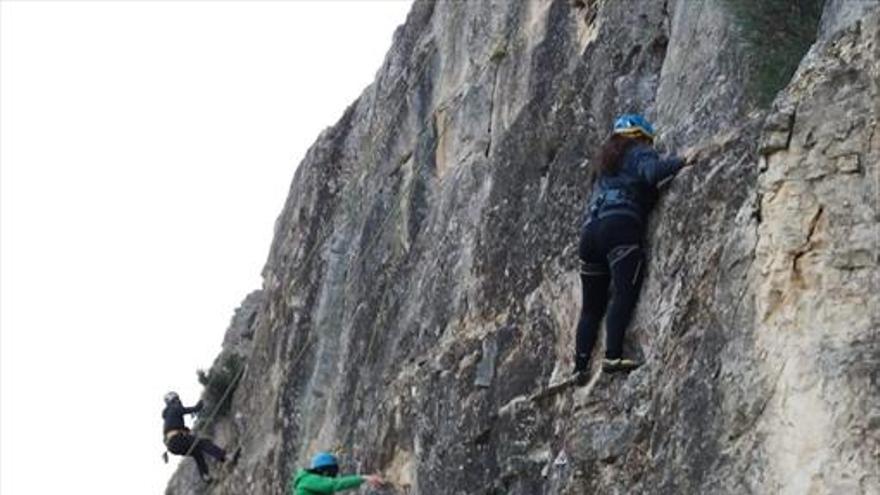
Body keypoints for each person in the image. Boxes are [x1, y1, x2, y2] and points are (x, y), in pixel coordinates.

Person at [573, 114, 693, 384]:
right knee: (624, 291)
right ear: (642, 136)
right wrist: (682, 160)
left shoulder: (603, 167)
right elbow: (652, 174)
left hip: (590, 234)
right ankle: (613, 356)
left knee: (591, 306)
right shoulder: (638, 151)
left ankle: (579, 366)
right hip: (620, 227)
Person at [162, 391, 228, 483]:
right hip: (177, 440)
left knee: (197, 453)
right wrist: (199, 405)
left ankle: (205, 476)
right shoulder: (173, 408)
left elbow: (175, 426)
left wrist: (185, 430)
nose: (179, 401)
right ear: (173, 401)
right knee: (203, 443)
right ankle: (225, 457)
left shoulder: (169, 416)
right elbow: (190, 409)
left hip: (173, 446)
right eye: (177, 399)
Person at [291, 452, 385, 494]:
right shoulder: (309, 480)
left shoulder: (310, 483)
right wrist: (364, 478)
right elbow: (335, 484)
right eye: (332, 472)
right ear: (325, 471)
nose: (333, 476)